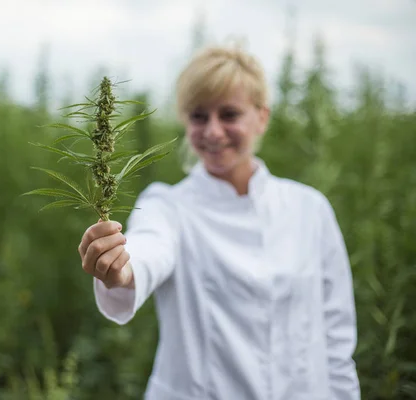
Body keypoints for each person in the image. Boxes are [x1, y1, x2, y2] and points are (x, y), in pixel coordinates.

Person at [77, 44, 360, 400]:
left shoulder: (309, 209)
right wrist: (120, 267)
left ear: (262, 117)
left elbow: (336, 337)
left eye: (228, 114)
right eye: (198, 116)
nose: (212, 131)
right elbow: (149, 247)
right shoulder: (168, 206)